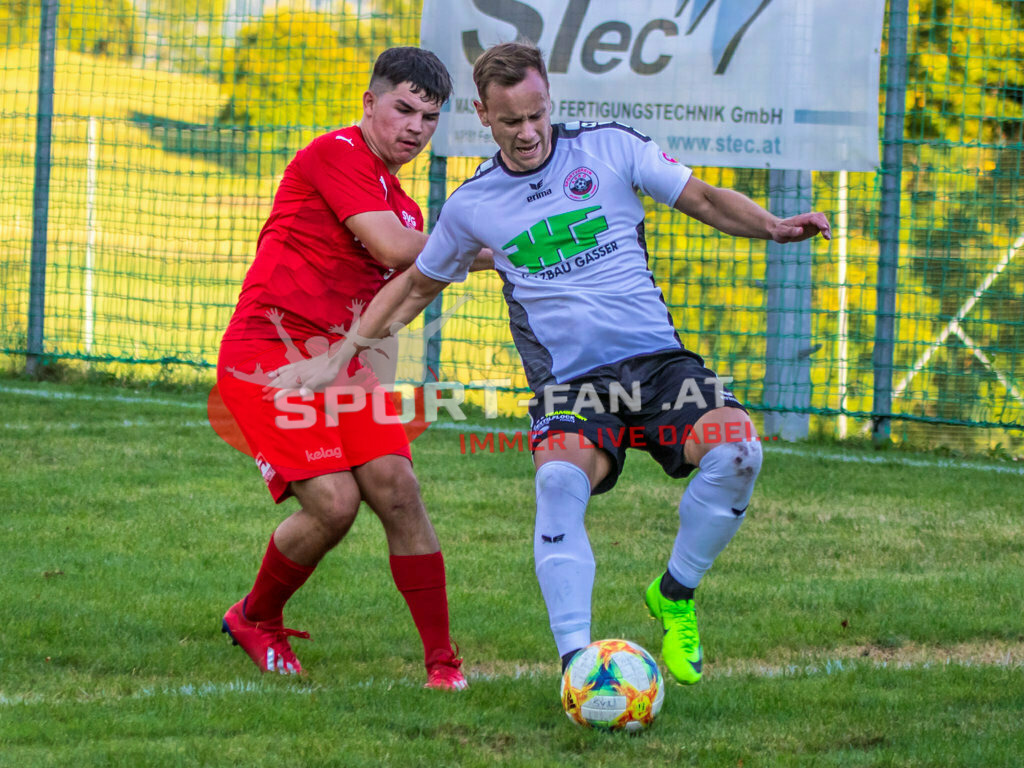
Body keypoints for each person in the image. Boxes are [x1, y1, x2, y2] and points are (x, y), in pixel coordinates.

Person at [270, 42, 831, 686]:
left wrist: (773, 226)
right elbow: (417, 285)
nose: (529, 131)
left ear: (548, 100)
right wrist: (345, 353)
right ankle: (579, 669)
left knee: (739, 453)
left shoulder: (611, 149)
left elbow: (702, 197)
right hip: (572, 386)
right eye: (511, 121)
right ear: (483, 115)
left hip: (659, 367)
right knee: (559, 485)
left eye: (538, 114)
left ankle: (675, 592)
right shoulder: (473, 205)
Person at [215, 46, 478, 690]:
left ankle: (443, 665)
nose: (415, 127)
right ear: (370, 103)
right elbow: (396, 251)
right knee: (334, 503)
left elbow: (397, 306)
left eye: (430, 117)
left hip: (341, 366)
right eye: (403, 109)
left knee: (396, 486)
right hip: (269, 357)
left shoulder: (411, 210)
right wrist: (495, 245)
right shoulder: (336, 154)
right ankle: (255, 618)